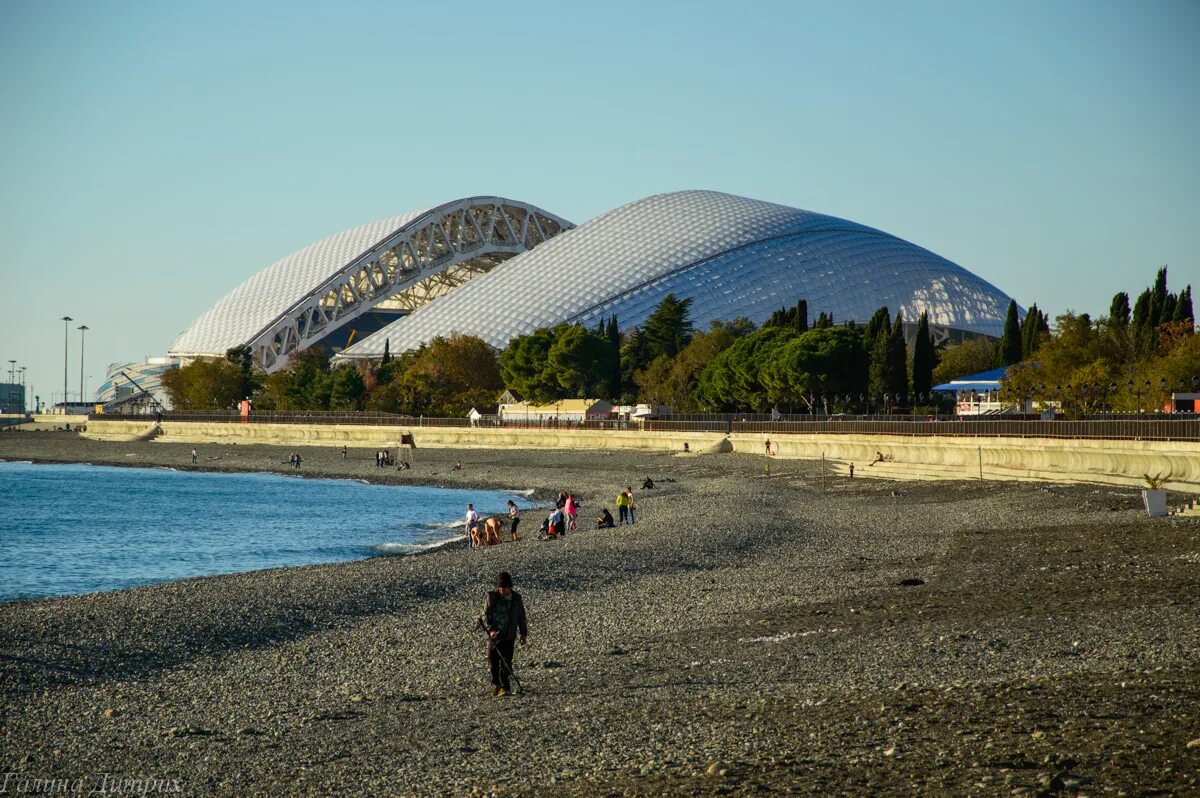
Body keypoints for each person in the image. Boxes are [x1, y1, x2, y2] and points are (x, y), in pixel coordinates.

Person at [484, 572, 527, 697]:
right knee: (493, 661)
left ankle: (504, 687)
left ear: (510, 586)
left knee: (506, 662)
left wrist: (523, 634)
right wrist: (491, 630)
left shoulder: (516, 599)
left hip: (509, 635)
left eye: (504, 587)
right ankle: (496, 684)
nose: (501, 590)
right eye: (500, 587)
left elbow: (521, 617)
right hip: (495, 635)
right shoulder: (492, 597)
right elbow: (486, 616)